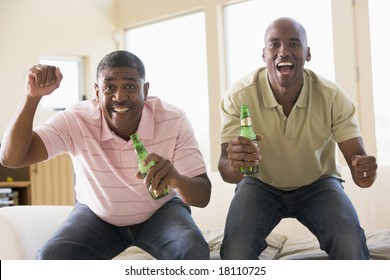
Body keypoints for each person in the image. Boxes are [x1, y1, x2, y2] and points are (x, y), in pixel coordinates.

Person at [0, 50, 211, 260]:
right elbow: (12, 158)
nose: (119, 97)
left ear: (145, 90)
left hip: (161, 211)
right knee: (52, 257)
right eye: (109, 87)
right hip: (96, 215)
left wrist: (177, 179)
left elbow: (202, 196)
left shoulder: (173, 119)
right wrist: (32, 97)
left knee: (191, 249)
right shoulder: (76, 119)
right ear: (97, 92)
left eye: (129, 86)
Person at [218, 17, 377, 260]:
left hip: (318, 184)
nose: (283, 51)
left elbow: (359, 167)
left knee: (350, 241)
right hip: (258, 184)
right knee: (236, 248)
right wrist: (235, 163)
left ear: (307, 53)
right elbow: (227, 172)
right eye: (274, 45)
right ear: (264, 54)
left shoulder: (332, 96)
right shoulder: (239, 95)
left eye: (294, 44)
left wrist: (364, 172)